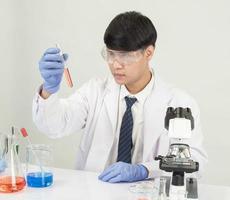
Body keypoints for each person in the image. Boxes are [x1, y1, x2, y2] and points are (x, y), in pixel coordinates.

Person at [33, 11, 208, 183]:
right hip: (97, 192)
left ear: (148, 53)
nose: (116, 64)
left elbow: (196, 163)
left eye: (125, 56)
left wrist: (145, 170)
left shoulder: (179, 103)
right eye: (110, 54)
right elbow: (55, 126)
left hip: (148, 193)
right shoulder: (95, 90)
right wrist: (49, 91)